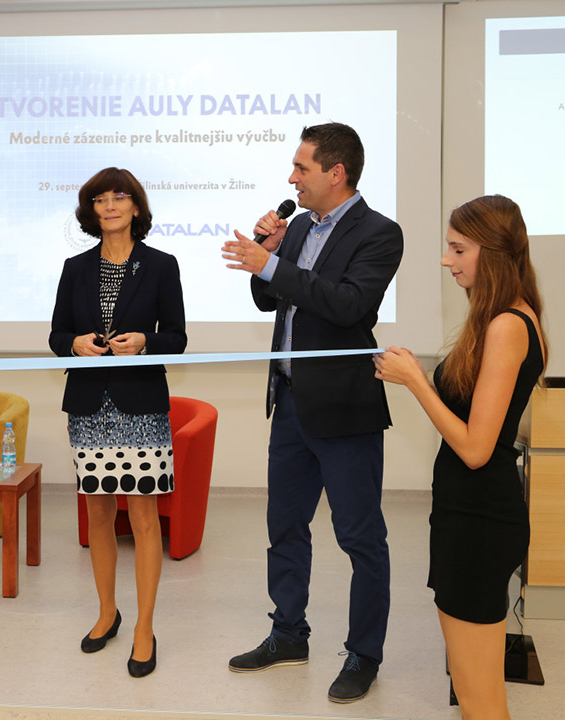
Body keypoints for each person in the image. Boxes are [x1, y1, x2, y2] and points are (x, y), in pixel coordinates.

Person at [221, 123, 403, 703]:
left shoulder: (380, 233)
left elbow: (348, 306)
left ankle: (364, 653)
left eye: (301, 168)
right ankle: (288, 634)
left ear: (336, 172)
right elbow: (269, 298)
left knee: (359, 537)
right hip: (291, 403)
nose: (291, 178)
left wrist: (274, 266)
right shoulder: (299, 226)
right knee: (284, 526)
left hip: (345, 411)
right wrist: (269, 255)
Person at [374, 195, 546, 719]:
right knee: (476, 695)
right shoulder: (500, 318)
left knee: (480, 700)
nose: (446, 260)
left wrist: (416, 382)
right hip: (467, 516)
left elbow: (474, 448)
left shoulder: (507, 325)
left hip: (480, 522)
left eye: (458, 249)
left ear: (491, 252)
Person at [49, 167, 186, 679]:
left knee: (145, 520)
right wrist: (74, 343)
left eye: (119, 197)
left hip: (141, 406)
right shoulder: (75, 267)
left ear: (135, 207)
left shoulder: (161, 265)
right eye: (100, 199)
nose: (109, 206)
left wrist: (147, 341)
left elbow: (177, 337)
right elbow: (57, 334)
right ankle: (107, 612)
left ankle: (145, 627)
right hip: (90, 407)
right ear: (91, 210)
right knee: (99, 516)